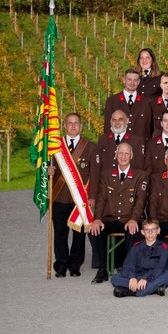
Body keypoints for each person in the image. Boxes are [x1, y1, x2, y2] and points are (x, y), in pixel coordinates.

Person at [89, 142, 149, 284]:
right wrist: (97, 218)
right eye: (120, 153)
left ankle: (128, 269)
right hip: (110, 218)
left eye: (126, 153)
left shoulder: (141, 175)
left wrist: (134, 219)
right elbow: (101, 198)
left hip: (130, 219)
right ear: (115, 155)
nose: (123, 156)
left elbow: (141, 200)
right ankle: (103, 268)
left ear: (132, 156)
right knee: (93, 230)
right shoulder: (106, 174)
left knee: (133, 232)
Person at [50, 112, 97, 278]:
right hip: (60, 197)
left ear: (81, 126)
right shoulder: (54, 147)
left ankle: (75, 264)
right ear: (64, 125)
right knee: (60, 233)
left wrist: (91, 197)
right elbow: (46, 173)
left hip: (80, 200)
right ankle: (61, 264)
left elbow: (94, 174)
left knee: (79, 234)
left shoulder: (90, 147)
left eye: (76, 123)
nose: (73, 126)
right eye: (69, 123)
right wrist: (48, 172)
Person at [111, 218, 168, 297]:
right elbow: (129, 264)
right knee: (115, 278)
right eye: (147, 230)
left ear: (158, 231)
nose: (150, 233)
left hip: (154, 275)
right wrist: (132, 278)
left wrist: (145, 278)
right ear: (142, 232)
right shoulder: (136, 246)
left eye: (153, 229)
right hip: (138, 274)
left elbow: (160, 268)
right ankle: (153, 289)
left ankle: (131, 291)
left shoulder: (164, 248)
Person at [104, 68, 152, 140]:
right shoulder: (112, 101)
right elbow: (108, 127)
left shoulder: (147, 102)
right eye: (129, 79)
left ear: (139, 82)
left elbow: (149, 128)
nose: (132, 83)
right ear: (124, 80)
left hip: (140, 146)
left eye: (135, 80)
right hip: (119, 147)